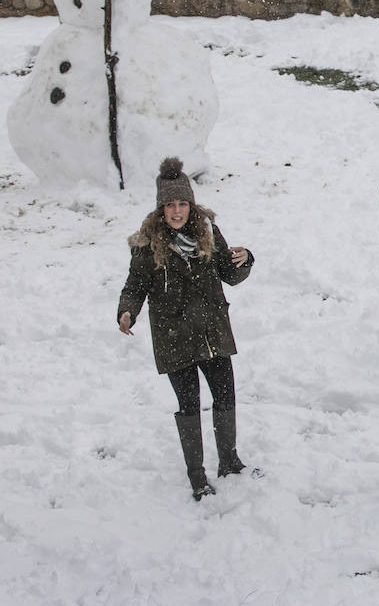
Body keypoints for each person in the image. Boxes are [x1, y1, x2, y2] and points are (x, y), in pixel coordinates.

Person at [117, 157, 256, 500]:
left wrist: (245, 260)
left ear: (191, 204)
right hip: (174, 336)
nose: (177, 211)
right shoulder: (147, 243)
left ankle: (230, 460)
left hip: (212, 332)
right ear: (160, 208)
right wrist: (126, 311)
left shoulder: (207, 231)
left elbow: (229, 272)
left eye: (182, 203)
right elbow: (135, 286)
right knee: (189, 404)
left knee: (226, 395)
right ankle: (197, 474)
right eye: (170, 205)